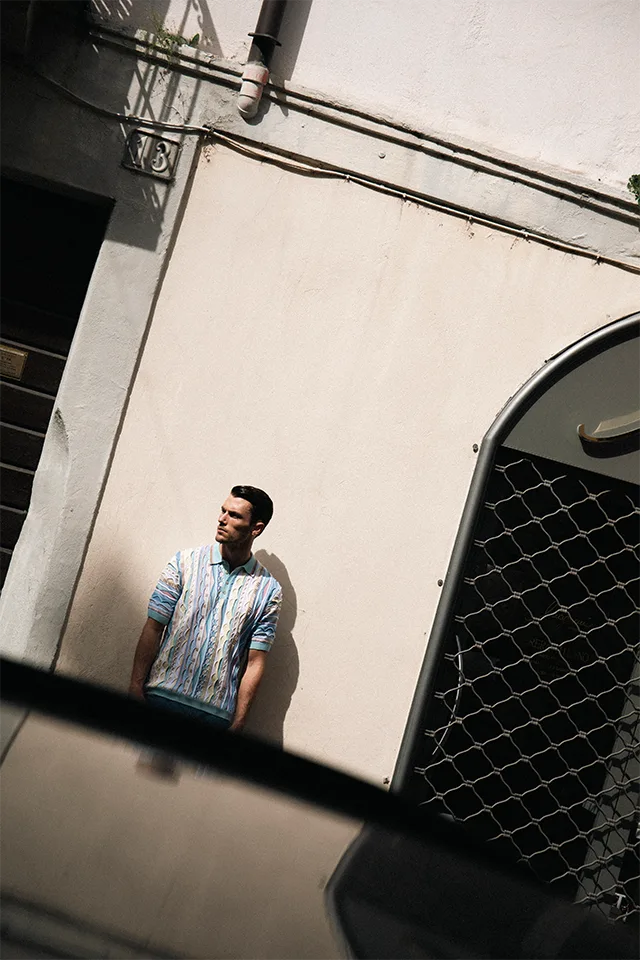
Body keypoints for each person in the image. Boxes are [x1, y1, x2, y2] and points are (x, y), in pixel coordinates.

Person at [129, 485, 282, 733]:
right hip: (160, 699)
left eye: (234, 515)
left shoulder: (268, 590)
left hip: (215, 716)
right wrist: (135, 687)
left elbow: (255, 662)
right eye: (223, 511)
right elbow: (153, 627)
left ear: (256, 528)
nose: (222, 519)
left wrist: (240, 720)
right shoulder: (183, 563)